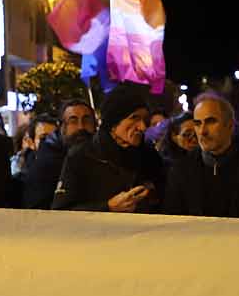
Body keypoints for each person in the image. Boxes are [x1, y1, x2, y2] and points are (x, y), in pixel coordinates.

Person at [163, 92, 239, 219]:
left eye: (211, 122)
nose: (202, 131)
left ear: (230, 125)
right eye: (198, 123)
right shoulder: (181, 170)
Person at [52, 82, 166, 212]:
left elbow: (166, 204)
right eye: (134, 118)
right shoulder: (81, 156)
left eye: (144, 119)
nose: (142, 127)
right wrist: (108, 207)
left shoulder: (149, 156)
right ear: (113, 123)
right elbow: (62, 212)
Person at [19, 99, 97, 210]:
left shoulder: (101, 156)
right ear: (62, 127)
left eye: (87, 120)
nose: (81, 127)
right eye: (73, 121)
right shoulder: (45, 165)